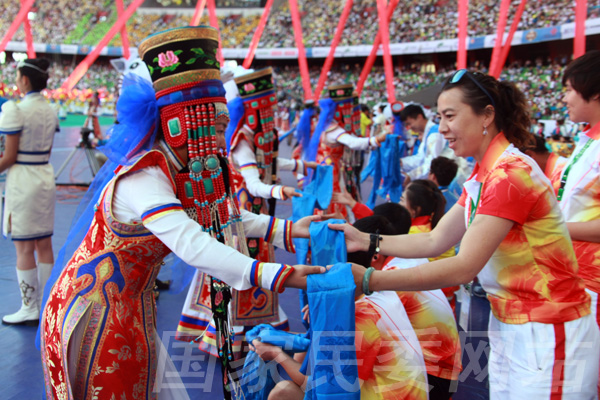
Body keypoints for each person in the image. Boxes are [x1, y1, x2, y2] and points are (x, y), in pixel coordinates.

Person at [39, 27, 326, 400]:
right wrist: (278, 274)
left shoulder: (179, 171)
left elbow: (222, 218)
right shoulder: (146, 176)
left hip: (130, 303)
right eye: (217, 127)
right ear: (188, 124)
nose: (222, 138)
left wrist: (290, 229)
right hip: (97, 309)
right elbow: (192, 244)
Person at [332, 69, 600, 398]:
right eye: (439, 117)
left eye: (449, 116)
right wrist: (366, 240)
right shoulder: (484, 174)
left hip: (548, 326)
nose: (442, 128)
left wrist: (370, 280)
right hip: (513, 323)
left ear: (487, 115)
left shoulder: (509, 175)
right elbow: (436, 239)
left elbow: (463, 266)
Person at [252, 215, 429, 400]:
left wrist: (276, 354)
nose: (317, 273)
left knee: (283, 392)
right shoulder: (379, 291)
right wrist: (316, 322)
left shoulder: (359, 319)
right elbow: (312, 360)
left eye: (319, 268)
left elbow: (319, 386)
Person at [551, 50, 600, 392]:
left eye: (569, 88)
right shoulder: (587, 140)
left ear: (594, 92)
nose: (564, 97)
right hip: (574, 275)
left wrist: (548, 229)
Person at [0, 58, 58, 325]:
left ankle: (29, 307)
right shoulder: (50, 109)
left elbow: (9, 157)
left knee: (23, 246)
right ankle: (47, 305)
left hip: (23, 180)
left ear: (24, 80)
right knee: (44, 243)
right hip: (44, 177)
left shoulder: (15, 109)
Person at [312, 84, 386, 216]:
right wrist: (375, 140)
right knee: (336, 195)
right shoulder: (334, 129)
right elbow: (353, 143)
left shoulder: (325, 125)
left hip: (323, 165)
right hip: (332, 168)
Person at [400, 104, 449, 181]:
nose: (409, 127)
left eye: (409, 123)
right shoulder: (428, 133)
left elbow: (432, 164)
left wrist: (411, 176)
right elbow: (421, 158)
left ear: (419, 117)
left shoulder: (435, 134)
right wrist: (402, 162)